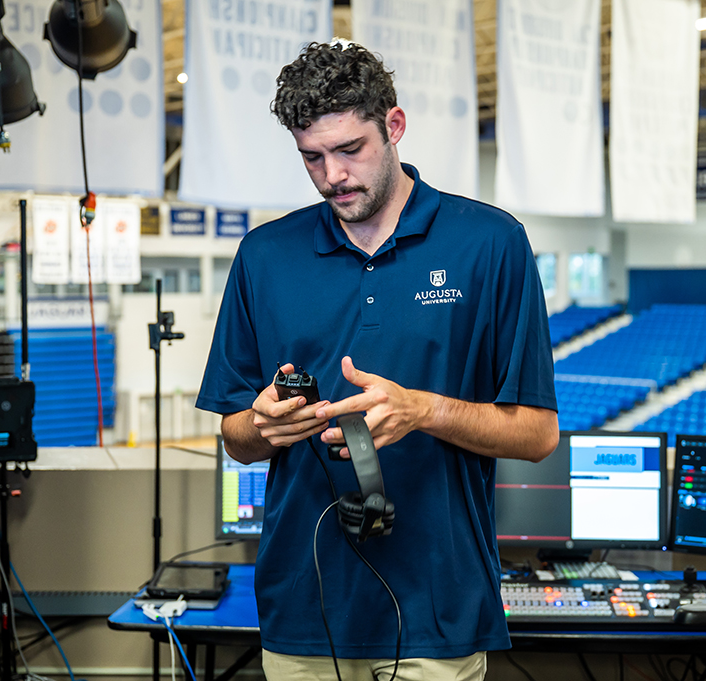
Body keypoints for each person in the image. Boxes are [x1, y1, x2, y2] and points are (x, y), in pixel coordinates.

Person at [196, 40, 559, 681]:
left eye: (349, 150)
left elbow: (536, 434)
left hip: (439, 612)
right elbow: (235, 436)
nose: (333, 174)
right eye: (312, 157)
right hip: (304, 612)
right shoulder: (264, 256)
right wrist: (263, 426)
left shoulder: (492, 245)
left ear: (393, 126)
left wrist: (422, 409)